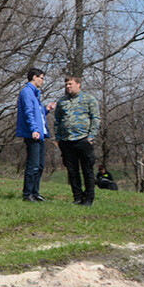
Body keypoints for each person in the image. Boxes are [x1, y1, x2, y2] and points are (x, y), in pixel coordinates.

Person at [53, 74, 101, 206]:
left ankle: (89, 198)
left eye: (70, 84)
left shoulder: (89, 99)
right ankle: (78, 197)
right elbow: (57, 121)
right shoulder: (62, 102)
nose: (68, 86)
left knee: (87, 170)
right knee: (72, 171)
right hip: (67, 141)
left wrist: (91, 136)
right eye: (66, 84)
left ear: (78, 85)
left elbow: (95, 118)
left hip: (83, 140)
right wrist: (58, 138)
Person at [15, 67, 48, 202]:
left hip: (40, 134)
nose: (43, 81)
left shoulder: (36, 94)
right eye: (42, 78)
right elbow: (28, 113)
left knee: (39, 166)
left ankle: (35, 192)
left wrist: (47, 110)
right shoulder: (27, 92)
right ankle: (28, 194)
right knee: (33, 165)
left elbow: (38, 115)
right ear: (34, 77)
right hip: (33, 134)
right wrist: (34, 129)